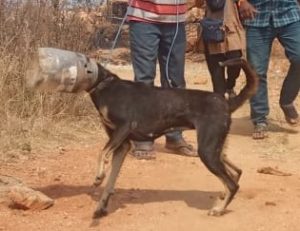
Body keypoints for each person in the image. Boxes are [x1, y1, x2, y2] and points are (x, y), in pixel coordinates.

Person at [126, 0, 196, 159]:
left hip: (176, 21)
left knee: (175, 82)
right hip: (143, 19)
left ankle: (174, 136)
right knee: (144, 81)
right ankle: (142, 138)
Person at [238, 0, 300, 139]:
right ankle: (259, 119)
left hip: (288, 14)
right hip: (256, 16)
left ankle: (287, 102)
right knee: (257, 71)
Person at [201, 0, 245, 98]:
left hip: (231, 27)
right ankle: (220, 98)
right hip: (213, 28)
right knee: (216, 70)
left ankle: (230, 86)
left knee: (236, 61)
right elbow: (214, 5)